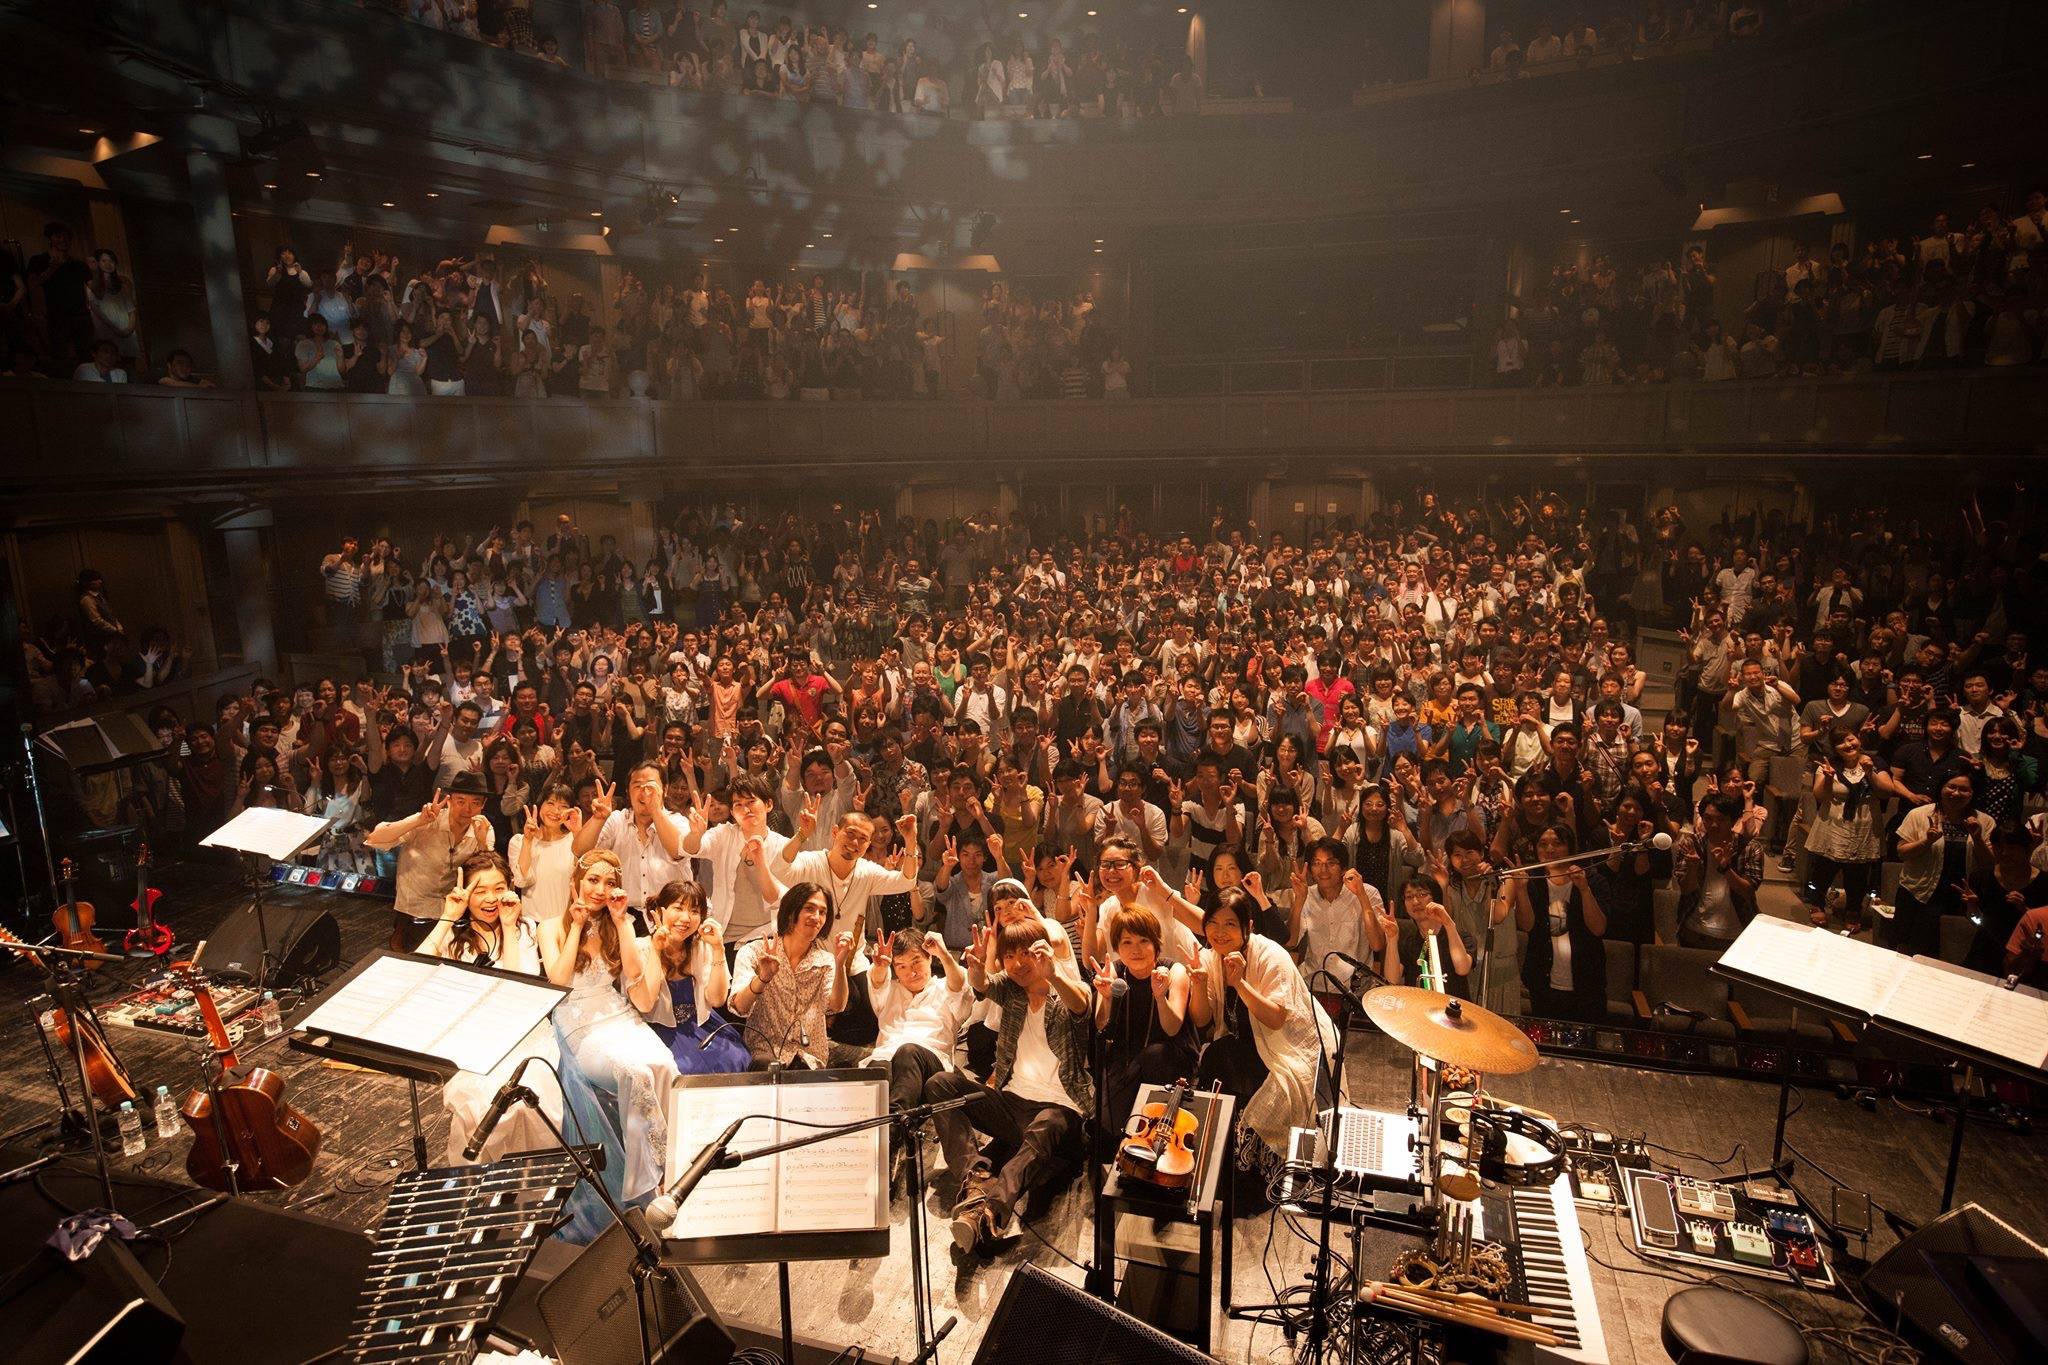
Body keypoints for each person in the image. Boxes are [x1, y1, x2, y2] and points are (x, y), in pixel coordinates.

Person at [926, 913, 1093, 1255]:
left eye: (1026, 954)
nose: (1018, 964)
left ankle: (992, 1211)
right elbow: (984, 984)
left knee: (1045, 1125)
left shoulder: (1068, 992)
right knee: (941, 1084)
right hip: (1012, 1103)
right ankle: (974, 1182)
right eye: (1010, 956)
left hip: (1060, 1110)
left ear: (1042, 952)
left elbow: (1082, 1006)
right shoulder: (1012, 991)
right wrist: (976, 966)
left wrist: (1055, 976)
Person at [541, 849, 676, 1220]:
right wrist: (575, 925)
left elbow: (633, 973)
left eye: (609, 883)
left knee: (663, 1063)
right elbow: (558, 981)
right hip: (576, 1021)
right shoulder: (550, 926)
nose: (601, 889)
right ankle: (643, 1180)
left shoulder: (616, 923)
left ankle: (673, 1168)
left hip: (617, 1014)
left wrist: (620, 923)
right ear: (575, 883)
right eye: (593, 881)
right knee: (635, 1073)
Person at [1188, 889, 1339, 1196]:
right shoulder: (1209, 957)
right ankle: (1218, 1154)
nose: (1219, 932)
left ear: (1248, 927)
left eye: (1230, 924)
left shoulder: (1272, 956)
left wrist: (1240, 983)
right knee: (1215, 1057)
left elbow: (1277, 1020)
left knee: (1275, 1087)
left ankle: (1253, 1172)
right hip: (1246, 1045)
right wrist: (1200, 982)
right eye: (1212, 923)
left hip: (1291, 1048)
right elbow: (1202, 1021)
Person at [419, 853, 565, 1165]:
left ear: (511, 888)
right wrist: (447, 917)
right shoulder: (455, 937)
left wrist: (509, 928)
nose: (490, 899)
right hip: (475, 1037)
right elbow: (414, 969)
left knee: (527, 1104)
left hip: (524, 1033)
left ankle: (529, 1184)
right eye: (480, 890)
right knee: (480, 1106)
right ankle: (482, 1185)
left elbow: (517, 990)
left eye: (498, 888)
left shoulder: (525, 929)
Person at [1090, 903, 1196, 1153]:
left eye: (1143, 941)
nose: (1135, 950)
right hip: (1125, 1063)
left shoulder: (1174, 971)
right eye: (1126, 942)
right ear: (1116, 947)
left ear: (1156, 944)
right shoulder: (1113, 973)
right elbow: (1100, 1026)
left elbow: (1172, 1028)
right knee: (1104, 1133)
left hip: (1168, 1063)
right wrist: (1106, 997)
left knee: (1154, 1055)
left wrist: (1160, 996)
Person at [729, 881, 856, 1069]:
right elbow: (739, 1006)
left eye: (822, 912)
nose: (816, 917)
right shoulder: (755, 952)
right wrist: (763, 978)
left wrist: (840, 963)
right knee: (766, 1066)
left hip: (810, 1057)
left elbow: (837, 1005)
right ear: (791, 912)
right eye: (809, 909)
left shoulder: (825, 960)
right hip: (764, 1054)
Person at [363, 771, 495, 949]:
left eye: (475, 803)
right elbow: (375, 838)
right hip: (413, 912)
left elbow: (490, 873)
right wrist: (418, 820)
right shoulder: (428, 819)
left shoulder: (483, 828)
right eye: (460, 801)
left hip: (453, 915)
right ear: (448, 800)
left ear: (483, 805)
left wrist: (481, 842)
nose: (467, 809)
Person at [640, 880, 750, 1074]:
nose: (686, 918)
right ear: (659, 910)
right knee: (686, 1069)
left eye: (694, 911)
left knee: (735, 1058)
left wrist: (717, 948)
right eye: (678, 908)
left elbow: (716, 1000)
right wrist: (657, 950)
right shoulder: (641, 948)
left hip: (700, 1025)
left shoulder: (702, 947)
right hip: (659, 1029)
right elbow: (645, 1005)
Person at [1510, 824, 1607, 1022]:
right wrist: (1520, 889)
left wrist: (1584, 890)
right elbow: (1527, 926)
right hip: (1543, 981)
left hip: (1586, 982)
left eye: (1557, 844)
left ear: (1570, 848)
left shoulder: (1593, 879)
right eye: (1543, 844)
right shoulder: (1534, 880)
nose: (1550, 850)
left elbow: (1598, 928)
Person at [1889, 773, 1990, 958]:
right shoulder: (1919, 814)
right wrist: (1926, 841)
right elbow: (1902, 852)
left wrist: (1977, 837)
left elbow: (1989, 864)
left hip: (1962, 897)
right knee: (1910, 950)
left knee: (1952, 955)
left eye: (1964, 789)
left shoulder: (1984, 821)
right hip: (1919, 892)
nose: (1956, 793)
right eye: (1951, 787)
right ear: (1941, 788)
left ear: (1973, 793)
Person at [509, 781, 580, 921]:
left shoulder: (574, 840)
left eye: (563, 806)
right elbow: (521, 881)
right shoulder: (518, 841)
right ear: (540, 804)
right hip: (531, 922)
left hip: (565, 922)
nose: (556, 811)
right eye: (551, 803)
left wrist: (578, 834)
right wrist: (528, 841)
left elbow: (582, 878)